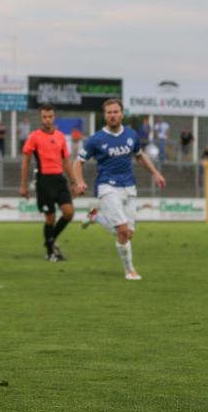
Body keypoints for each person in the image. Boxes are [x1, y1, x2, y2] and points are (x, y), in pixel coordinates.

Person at [74, 99, 166, 280]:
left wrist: (156, 173)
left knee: (128, 234)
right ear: (105, 116)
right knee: (122, 230)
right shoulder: (96, 139)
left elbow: (140, 156)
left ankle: (95, 216)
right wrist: (79, 181)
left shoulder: (131, 135)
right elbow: (78, 162)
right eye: (109, 112)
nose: (112, 115)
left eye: (116, 111)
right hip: (107, 186)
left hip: (129, 187)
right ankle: (130, 270)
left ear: (122, 114)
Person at [19, 104, 76, 262]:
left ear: (54, 117)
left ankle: (49, 240)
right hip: (44, 181)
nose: (47, 119)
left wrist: (74, 182)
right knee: (50, 219)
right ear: (40, 118)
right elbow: (25, 162)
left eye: (50, 116)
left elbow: (66, 161)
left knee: (69, 212)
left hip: (59, 180)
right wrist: (23, 185)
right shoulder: (34, 136)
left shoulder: (60, 136)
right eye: (44, 117)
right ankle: (50, 252)